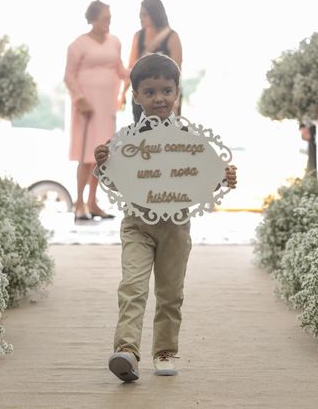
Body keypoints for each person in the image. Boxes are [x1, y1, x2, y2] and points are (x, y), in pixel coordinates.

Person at [95, 53, 237, 382]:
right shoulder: (126, 140)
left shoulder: (189, 140)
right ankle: (127, 350)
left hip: (175, 227)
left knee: (171, 292)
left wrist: (224, 176)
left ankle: (165, 350)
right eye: (150, 92)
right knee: (132, 286)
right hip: (136, 224)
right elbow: (113, 179)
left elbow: (204, 177)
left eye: (166, 90)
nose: (159, 98)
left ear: (177, 93)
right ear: (136, 96)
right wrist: (101, 162)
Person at [64, 0, 127, 221]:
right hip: (87, 107)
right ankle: (79, 202)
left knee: (101, 155)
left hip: (106, 106)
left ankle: (93, 201)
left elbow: (120, 69)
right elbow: (69, 76)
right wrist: (79, 98)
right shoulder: (78, 44)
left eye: (109, 18)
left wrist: (138, 77)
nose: (108, 22)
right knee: (86, 155)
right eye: (104, 18)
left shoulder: (115, 42)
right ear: (93, 19)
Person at [118, 0, 183, 123]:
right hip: (144, 94)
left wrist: (176, 99)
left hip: (166, 96)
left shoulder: (171, 36)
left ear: (155, 14)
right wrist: (123, 93)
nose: (141, 18)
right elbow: (131, 67)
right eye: (140, 15)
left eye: (144, 15)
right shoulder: (138, 36)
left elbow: (177, 69)